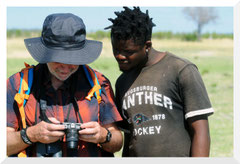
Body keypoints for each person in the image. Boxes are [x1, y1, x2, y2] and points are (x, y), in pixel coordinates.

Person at [7, 13, 123, 157]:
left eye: (73, 59)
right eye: (58, 59)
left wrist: (104, 136)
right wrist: (31, 135)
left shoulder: (98, 83)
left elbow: (117, 142)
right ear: (46, 53)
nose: (66, 66)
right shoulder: (18, 84)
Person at [105, 7, 214, 157]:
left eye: (128, 51)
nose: (120, 56)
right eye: (115, 49)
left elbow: (200, 131)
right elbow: (130, 138)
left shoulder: (180, 69)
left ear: (147, 46)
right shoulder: (122, 82)